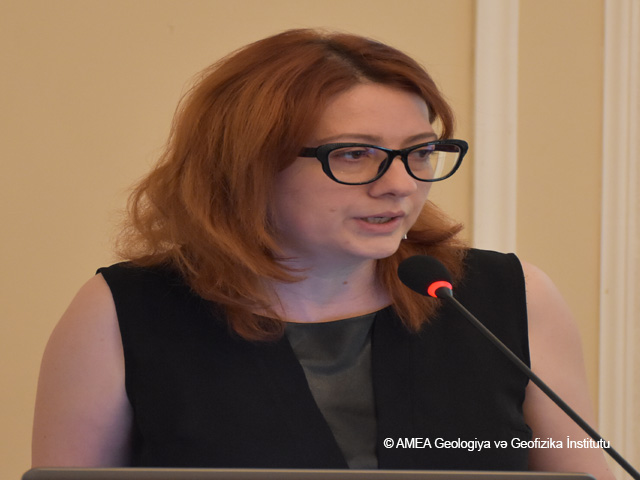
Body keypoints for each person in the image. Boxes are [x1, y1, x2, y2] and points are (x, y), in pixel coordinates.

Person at [31, 29, 613, 479]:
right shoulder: (120, 313)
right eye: (355, 154)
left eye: (420, 151)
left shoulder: (507, 297)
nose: (400, 185)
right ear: (249, 165)